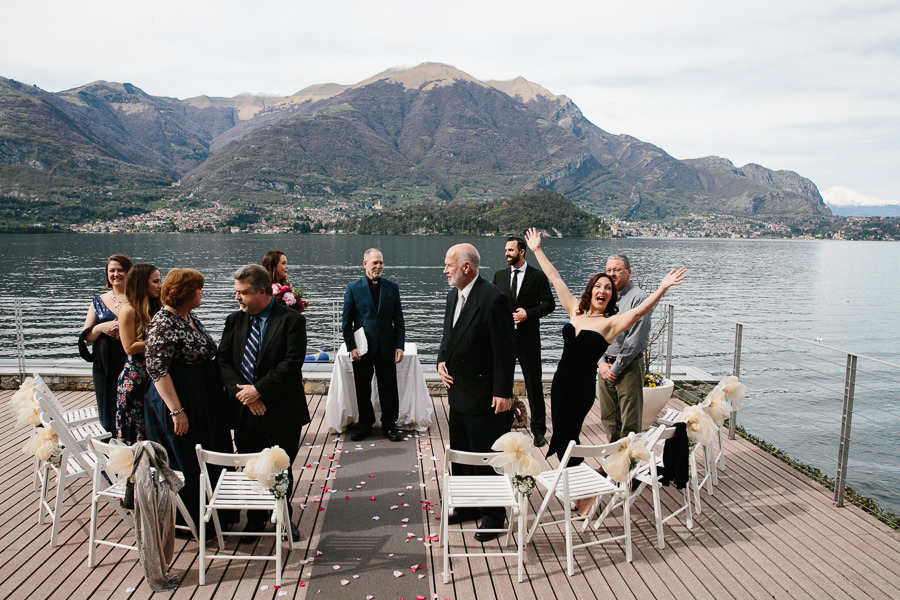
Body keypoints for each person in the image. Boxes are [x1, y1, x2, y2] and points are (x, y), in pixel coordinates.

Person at [523, 228, 686, 511]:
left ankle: (582, 491)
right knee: (562, 436)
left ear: (611, 297)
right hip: (560, 384)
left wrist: (662, 288)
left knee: (569, 436)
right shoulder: (575, 310)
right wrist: (537, 250)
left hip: (581, 387)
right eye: (599, 286)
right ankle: (578, 487)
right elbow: (555, 278)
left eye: (608, 288)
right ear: (591, 290)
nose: (603, 290)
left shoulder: (611, 324)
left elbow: (639, 312)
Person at [218, 264, 309, 542]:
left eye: (243, 293)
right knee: (252, 466)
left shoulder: (291, 320)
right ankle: (255, 519)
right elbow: (223, 361)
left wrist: (259, 390)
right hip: (245, 410)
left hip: (281, 409)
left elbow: (291, 363)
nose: (238, 298)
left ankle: (283, 518)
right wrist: (244, 394)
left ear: (263, 291)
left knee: (282, 466)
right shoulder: (234, 321)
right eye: (236, 292)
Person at [437, 243, 516, 542]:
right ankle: (468, 505)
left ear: (466, 268)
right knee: (462, 452)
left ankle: (494, 517)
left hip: (484, 394)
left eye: (449, 265)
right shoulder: (452, 295)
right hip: (457, 391)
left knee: (485, 456)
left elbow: (506, 349)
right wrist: (440, 360)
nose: (445, 270)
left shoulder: (492, 298)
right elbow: (448, 335)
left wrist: (503, 391)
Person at [145, 269, 232, 524]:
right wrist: (176, 410)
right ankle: (191, 519)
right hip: (181, 399)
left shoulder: (188, 315)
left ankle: (218, 514)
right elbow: (157, 369)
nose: (202, 292)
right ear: (185, 293)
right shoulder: (163, 322)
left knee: (210, 451)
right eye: (198, 288)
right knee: (187, 457)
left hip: (203, 399)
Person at [492, 235, 555, 447]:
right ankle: (504, 425)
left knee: (534, 385)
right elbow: (493, 306)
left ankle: (538, 431)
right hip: (505, 340)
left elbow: (549, 304)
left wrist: (528, 313)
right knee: (503, 383)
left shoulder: (537, 277)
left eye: (510, 250)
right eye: (505, 250)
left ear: (522, 252)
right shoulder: (499, 276)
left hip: (529, 340)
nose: (506, 254)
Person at [341, 248, 406, 442]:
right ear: (365, 264)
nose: (378, 266)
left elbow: (399, 319)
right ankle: (365, 424)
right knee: (362, 388)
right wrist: (351, 347)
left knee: (389, 388)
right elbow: (347, 322)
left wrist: (399, 345)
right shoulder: (353, 288)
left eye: (381, 263)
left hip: (386, 346)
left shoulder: (392, 287)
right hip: (362, 348)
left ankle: (389, 425)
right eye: (374, 263)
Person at [598, 254, 652, 442]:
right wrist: (601, 362)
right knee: (609, 419)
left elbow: (635, 341)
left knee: (629, 422)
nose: (612, 274)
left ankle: (629, 465)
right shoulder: (604, 296)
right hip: (605, 367)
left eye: (617, 270)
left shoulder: (639, 298)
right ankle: (613, 463)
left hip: (628, 367)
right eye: (609, 270)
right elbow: (596, 331)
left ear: (628, 272)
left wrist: (616, 367)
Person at [79, 254, 133, 433]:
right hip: (105, 364)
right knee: (108, 408)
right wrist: (102, 327)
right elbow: (87, 336)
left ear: (129, 273)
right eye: (112, 271)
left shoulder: (138, 299)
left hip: (130, 360)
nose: (116, 274)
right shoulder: (98, 301)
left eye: (120, 270)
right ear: (107, 274)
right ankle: (110, 447)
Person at [115, 263, 162, 444]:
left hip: (152, 376)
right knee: (135, 433)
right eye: (155, 281)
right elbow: (129, 347)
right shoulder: (128, 310)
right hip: (135, 379)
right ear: (142, 283)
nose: (160, 285)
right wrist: (160, 342)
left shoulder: (155, 308)